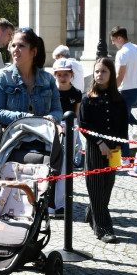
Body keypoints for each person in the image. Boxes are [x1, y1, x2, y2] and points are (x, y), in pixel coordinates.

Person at [79, 58, 128, 243]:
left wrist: (118, 145)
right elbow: (83, 124)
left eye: (104, 72)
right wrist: (100, 143)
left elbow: (123, 124)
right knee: (96, 187)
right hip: (95, 148)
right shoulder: (88, 98)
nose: (99, 75)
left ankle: (92, 211)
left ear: (111, 74)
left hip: (113, 149)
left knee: (107, 187)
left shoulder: (119, 99)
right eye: (97, 71)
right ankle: (103, 228)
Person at [0, 28, 62, 126]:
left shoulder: (48, 79)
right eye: (13, 45)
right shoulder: (3, 77)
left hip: (44, 137)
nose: (15, 49)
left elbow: (57, 111)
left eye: (21, 46)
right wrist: (26, 118)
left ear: (34, 51)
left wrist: (51, 118)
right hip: (13, 138)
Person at [110, 26, 137, 157]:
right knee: (124, 114)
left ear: (120, 38)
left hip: (125, 90)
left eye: (114, 40)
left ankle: (125, 156)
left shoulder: (122, 52)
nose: (113, 43)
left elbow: (119, 76)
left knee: (121, 123)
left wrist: (111, 90)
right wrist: (136, 80)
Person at [52, 56, 83, 203]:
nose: (62, 77)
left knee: (66, 163)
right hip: (55, 128)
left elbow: (76, 114)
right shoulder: (52, 92)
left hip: (70, 128)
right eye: (59, 74)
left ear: (72, 75)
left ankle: (62, 200)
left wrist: (76, 133)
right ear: (54, 75)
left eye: (66, 74)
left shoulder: (76, 93)